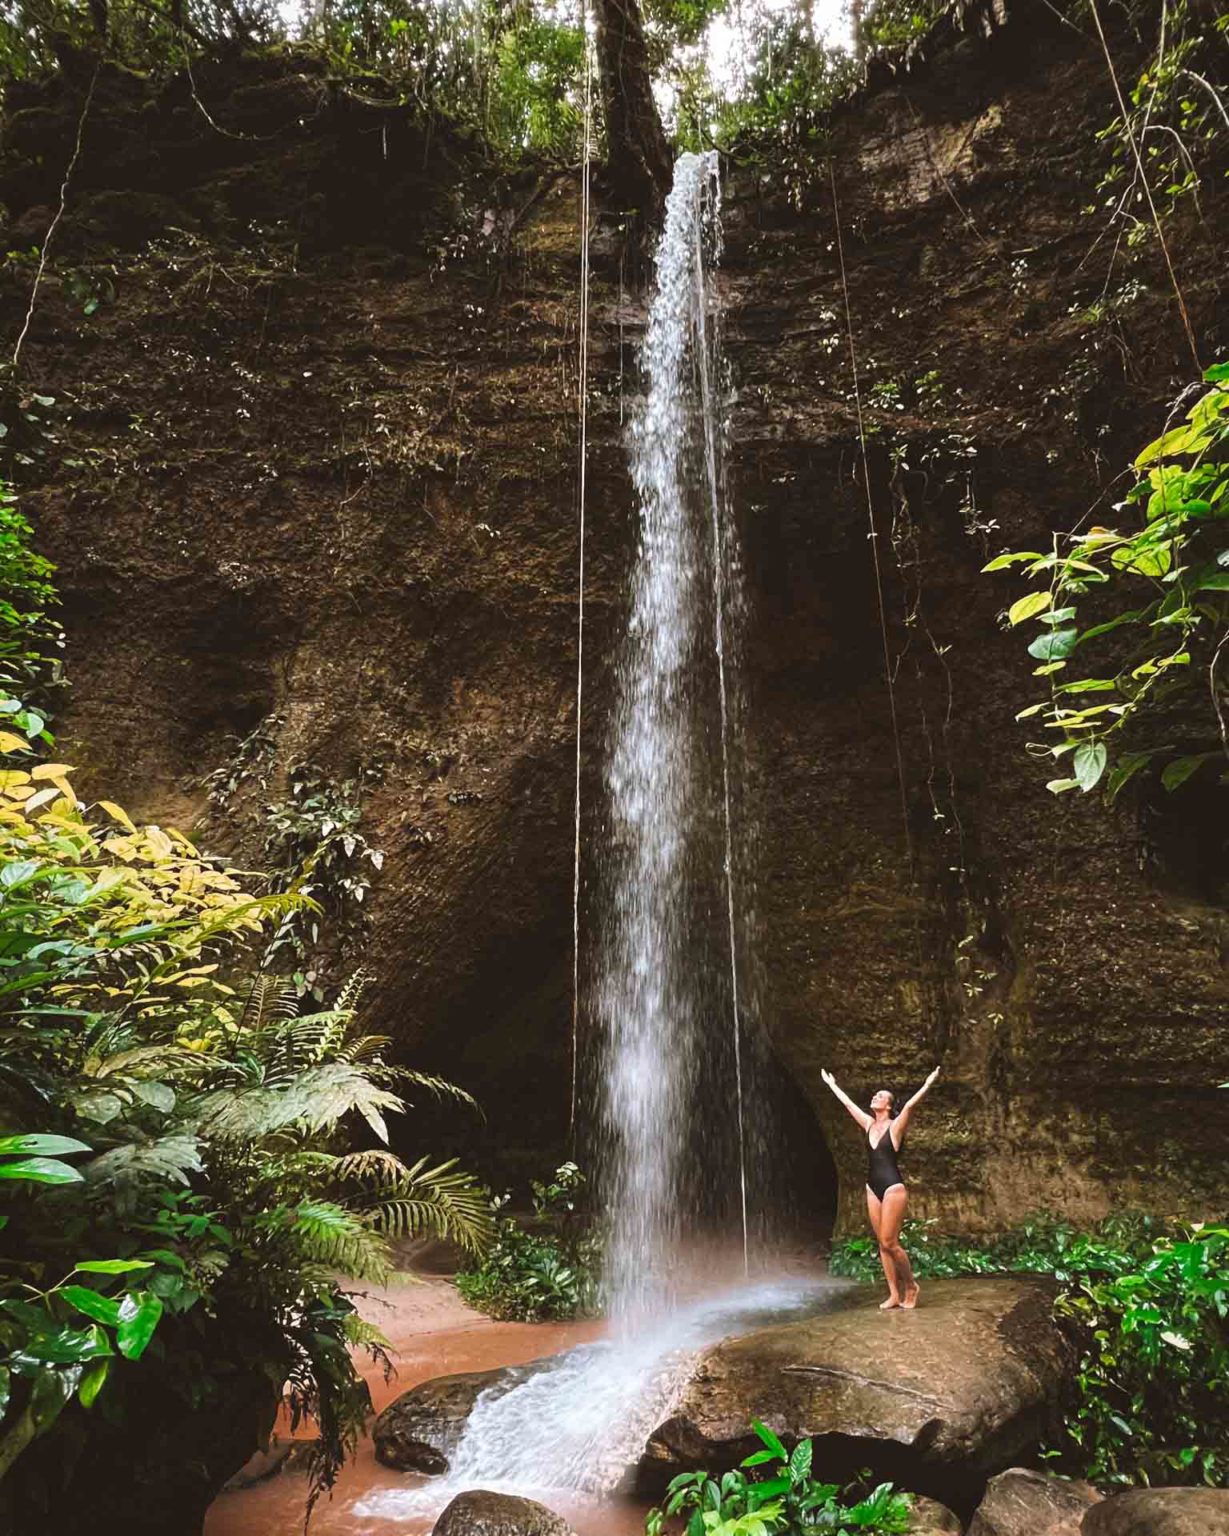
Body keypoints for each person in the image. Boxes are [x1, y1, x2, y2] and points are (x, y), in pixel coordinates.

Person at [820, 1065, 941, 1310]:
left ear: (888, 1105)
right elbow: (849, 1106)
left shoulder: (895, 1127)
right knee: (881, 1244)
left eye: (880, 1096)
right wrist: (832, 1085)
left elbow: (909, 1106)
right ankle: (894, 1294)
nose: (875, 1097)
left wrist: (928, 1084)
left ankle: (911, 1286)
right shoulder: (868, 1124)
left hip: (892, 1187)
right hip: (872, 1187)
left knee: (890, 1242)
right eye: (875, 1095)